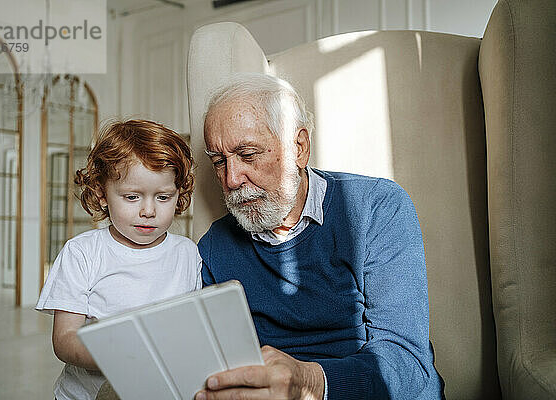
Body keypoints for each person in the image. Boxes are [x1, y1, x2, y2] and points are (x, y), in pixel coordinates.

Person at [195, 74, 444, 399]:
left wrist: (309, 383)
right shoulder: (215, 247)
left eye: (249, 154)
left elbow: (406, 364)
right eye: (219, 161)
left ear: (298, 147)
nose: (231, 179)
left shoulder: (376, 208)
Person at [36, 119, 202, 400]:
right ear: (102, 194)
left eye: (163, 197)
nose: (148, 210)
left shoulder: (187, 254)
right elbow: (64, 340)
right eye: (132, 197)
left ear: (179, 195)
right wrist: (123, 357)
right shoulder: (83, 253)